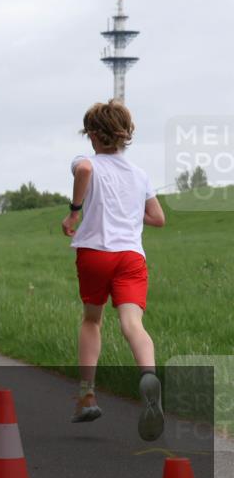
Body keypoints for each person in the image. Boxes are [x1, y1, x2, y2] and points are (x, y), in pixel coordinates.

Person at [61, 99, 166, 441]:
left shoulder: (86, 161)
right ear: (124, 136)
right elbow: (158, 219)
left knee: (93, 319)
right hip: (131, 257)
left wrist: (75, 212)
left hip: (95, 252)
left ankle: (87, 394)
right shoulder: (140, 174)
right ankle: (148, 375)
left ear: (93, 134)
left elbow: (85, 172)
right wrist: (130, 217)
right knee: (132, 323)